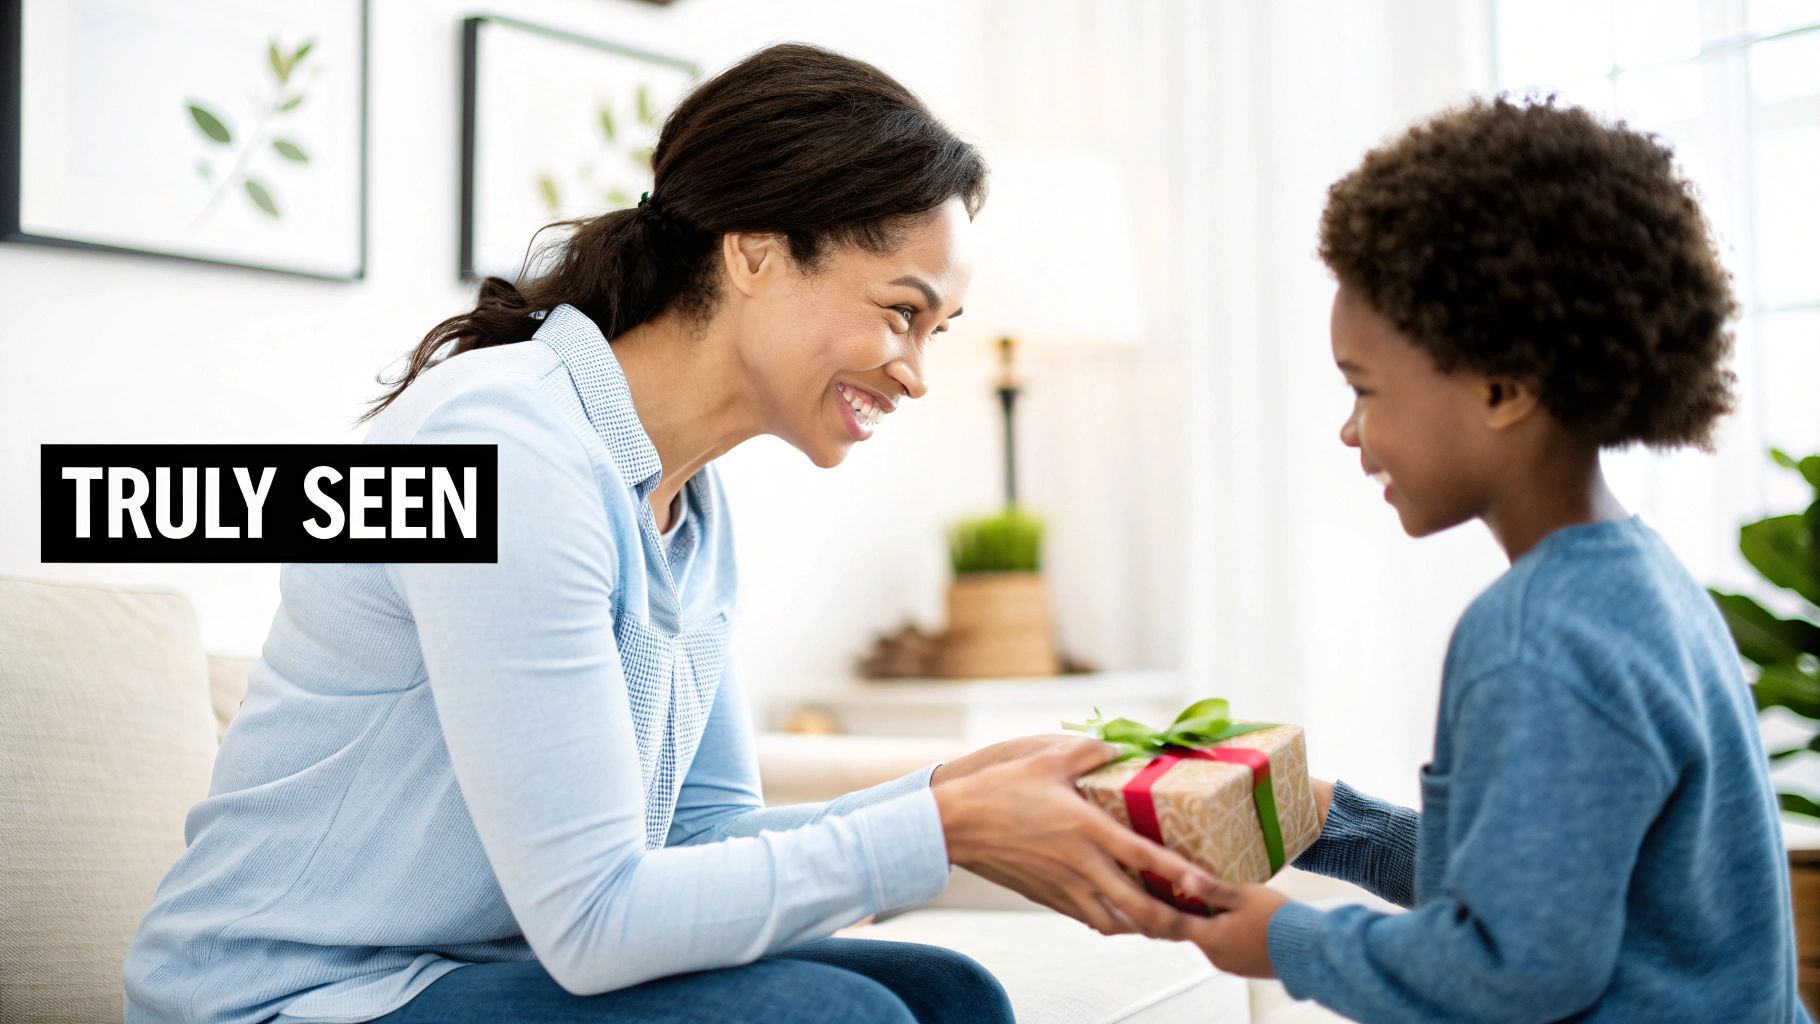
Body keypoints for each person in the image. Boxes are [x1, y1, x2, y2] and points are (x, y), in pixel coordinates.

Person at [123, 43, 1215, 1024]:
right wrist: (942, 833)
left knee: (950, 993)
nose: (917, 372)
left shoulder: (688, 503)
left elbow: (699, 842)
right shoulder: (507, 449)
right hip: (293, 996)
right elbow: (598, 919)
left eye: (937, 330)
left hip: (477, 973)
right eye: (898, 311)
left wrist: (945, 796)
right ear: (753, 253)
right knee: (834, 1018)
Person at [1173, 97, 1808, 1021]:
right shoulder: (1645, 587)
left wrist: (1281, 937)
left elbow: (1514, 968)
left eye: (1365, 389)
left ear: (1503, 387)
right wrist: (1330, 822)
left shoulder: (1530, 637)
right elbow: (1536, 883)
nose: (1349, 431)